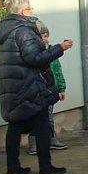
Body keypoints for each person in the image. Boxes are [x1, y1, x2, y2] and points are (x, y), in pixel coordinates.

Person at [0, 0, 72, 174]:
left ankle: (13, 168)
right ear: (22, 11)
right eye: (30, 8)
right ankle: (45, 167)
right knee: (42, 124)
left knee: (15, 125)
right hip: (29, 84)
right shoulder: (23, 30)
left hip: (11, 84)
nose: (32, 11)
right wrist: (59, 48)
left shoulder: (4, 29)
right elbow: (34, 59)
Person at [27, 21, 68, 154]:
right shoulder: (34, 54)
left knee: (49, 116)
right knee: (36, 117)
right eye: (43, 36)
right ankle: (34, 143)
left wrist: (61, 88)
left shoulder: (52, 52)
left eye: (46, 35)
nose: (46, 39)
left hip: (51, 89)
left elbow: (57, 71)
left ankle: (51, 139)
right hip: (37, 90)